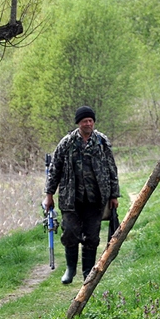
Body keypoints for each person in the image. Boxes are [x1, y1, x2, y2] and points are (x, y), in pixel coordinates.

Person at [44, 106, 119, 284]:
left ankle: (88, 274)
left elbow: (111, 168)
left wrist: (114, 195)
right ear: (79, 123)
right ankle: (70, 269)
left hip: (95, 199)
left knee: (92, 237)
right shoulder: (67, 142)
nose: (88, 124)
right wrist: (49, 194)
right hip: (71, 198)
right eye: (85, 121)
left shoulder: (101, 141)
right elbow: (55, 169)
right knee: (70, 232)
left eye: (90, 121)